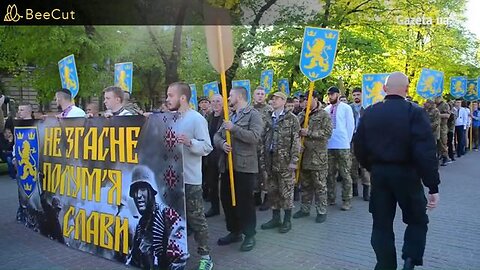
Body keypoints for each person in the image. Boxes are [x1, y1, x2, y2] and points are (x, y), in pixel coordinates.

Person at [353, 72, 440, 270]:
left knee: (381, 224)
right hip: (407, 175)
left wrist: (372, 167)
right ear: (407, 89)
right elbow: (425, 152)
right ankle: (410, 259)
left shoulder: (371, 112)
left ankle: (385, 265)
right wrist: (432, 185)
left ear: (384, 89)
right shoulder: (415, 112)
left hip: (380, 175)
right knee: (418, 219)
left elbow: (358, 146)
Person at [165, 82, 214, 270]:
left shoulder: (196, 119)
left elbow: (207, 147)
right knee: (175, 218)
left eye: (170, 95)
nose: (167, 99)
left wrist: (190, 142)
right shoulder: (169, 118)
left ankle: (206, 256)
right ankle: (178, 253)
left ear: (182, 98)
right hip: (172, 179)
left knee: (197, 219)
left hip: (190, 180)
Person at [214, 86, 263, 251]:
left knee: (244, 202)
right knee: (227, 199)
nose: (228, 98)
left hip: (244, 166)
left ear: (240, 96)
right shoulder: (231, 116)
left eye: (230, 95)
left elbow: (255, 137)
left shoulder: (253, 115)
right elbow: (217, 136)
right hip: (227, 165)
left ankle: (249, 235)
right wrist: (222, 144)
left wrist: (234, 129)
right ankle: (234, 231)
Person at [127, 165, 188, 270]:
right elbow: (133, 259)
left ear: (151, 191)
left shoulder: (169, 216)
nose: (138, 195)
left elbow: (180, 257)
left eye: (142, 189)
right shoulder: (141, 225)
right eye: (135, 191)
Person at [260, 92, 300, 233]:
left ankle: (287, 220)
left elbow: (296, 142)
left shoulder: (291, 119)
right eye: (272, 98)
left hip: (285, 162)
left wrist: (294, 160)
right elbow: (262, 139)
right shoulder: (268, 118)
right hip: (270, 161)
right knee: (273, 191)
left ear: (283, 101)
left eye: (276, 98)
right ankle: (275, 218)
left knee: (286, 192)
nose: (273, 100)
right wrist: (262, 159)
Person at [293, 91, 332, 223]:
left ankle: (321, 211)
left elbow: (327, 133)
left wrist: (309, 132)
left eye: (308, 99)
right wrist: (298, 141)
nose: (305, 102)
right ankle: (305, 209)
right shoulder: (302, 114)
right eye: (303, 100)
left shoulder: (324, 115)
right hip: (304, 156)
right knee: (305, 185)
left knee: (320, 185)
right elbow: (295, 131)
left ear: (315, 99)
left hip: (318, 157)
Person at [324, 86, 355, 210]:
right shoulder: (326, 109)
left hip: (343, 145)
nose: (330, 96)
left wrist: (346, 141)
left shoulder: (346, 108)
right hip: (329, 145)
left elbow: (350, 125)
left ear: (338, 94)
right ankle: (330, 197)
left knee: (345, 173)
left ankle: (346, 200)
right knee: (329, 173)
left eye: (332, 94)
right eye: (329, 95)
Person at [252, 86, 273, 211]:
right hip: (253, 147)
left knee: (265, 173)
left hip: (265, 147)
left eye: (262, 94)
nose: (260, 96)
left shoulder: (270, 110)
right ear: (253, 96)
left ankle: (267, 198)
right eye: (258, 93)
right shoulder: (249, 110)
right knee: (254, 173)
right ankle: (256, 196)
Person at [204, 94, 224, 218]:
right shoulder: (208, 117)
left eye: (218, 101)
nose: (215, 103)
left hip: (222, 154)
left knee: (225, 185)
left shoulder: (227, 117)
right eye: (213, 101)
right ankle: (214, 207)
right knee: (211, 182)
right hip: (210, 154)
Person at [350, 87, 370, 200]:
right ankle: (354, 188)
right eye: (354, 95)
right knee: (352, 164)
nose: (356, 97)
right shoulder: (349, 108)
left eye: (358, 94)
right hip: (352, 139)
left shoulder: (367, 108)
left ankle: (366, 190)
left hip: (364, 139)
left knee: (364, 166)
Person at [435, 96, 451, 165]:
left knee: (443, 142)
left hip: (442, 126)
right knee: (437, 143)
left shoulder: (445, 105)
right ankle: (439, 156)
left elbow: (447, 115)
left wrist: (438, 115)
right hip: (435, 127)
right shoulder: (435, 105)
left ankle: (446, 157)